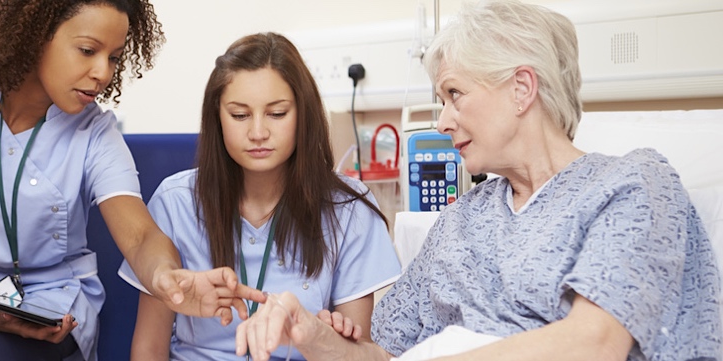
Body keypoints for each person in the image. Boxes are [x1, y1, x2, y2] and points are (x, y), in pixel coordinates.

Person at [233, 1, 723, 360]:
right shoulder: (461, 220)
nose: (442, 121)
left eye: (454, 94)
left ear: (521, 89)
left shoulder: (632, 185)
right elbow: (380, 355)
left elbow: (591, 345)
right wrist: (308, 332)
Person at [0, 1, 265, 360]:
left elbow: (139, 235)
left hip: (43, 303)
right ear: (35, 33)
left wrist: (167, 277)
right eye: (87, 50)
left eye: (114, 57)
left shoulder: (95, 133)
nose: (104, 72)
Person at [117, 32, 402, 360]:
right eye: (239, 115)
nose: (257, 133)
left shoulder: (349, 208)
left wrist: (326, 336)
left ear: (303, 114)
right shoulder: (174, 202)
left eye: (277, 113)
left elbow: (355, 350)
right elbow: (148, 350)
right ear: (217, 118)